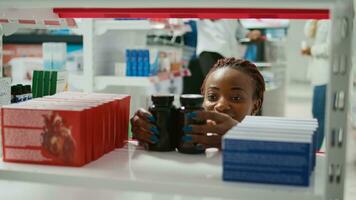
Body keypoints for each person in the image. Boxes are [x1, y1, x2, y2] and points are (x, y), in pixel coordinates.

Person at [130, 58, 265, 149]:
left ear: (256, 105)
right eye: (212, 97)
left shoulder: (265, 143)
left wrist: (241, 139)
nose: (221, 105)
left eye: (236, 98)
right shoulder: (187, 140)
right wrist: (149, 130)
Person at [301, 20, 330, 150]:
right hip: (318, 74)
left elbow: (330, 48)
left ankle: (316, 149)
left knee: (319, 113)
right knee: (317, 113)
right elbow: (308, 32)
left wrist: (311, 50)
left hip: (326, 75)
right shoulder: (319, 18)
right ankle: (316, 147)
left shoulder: (332, 20)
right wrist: (313, 19)